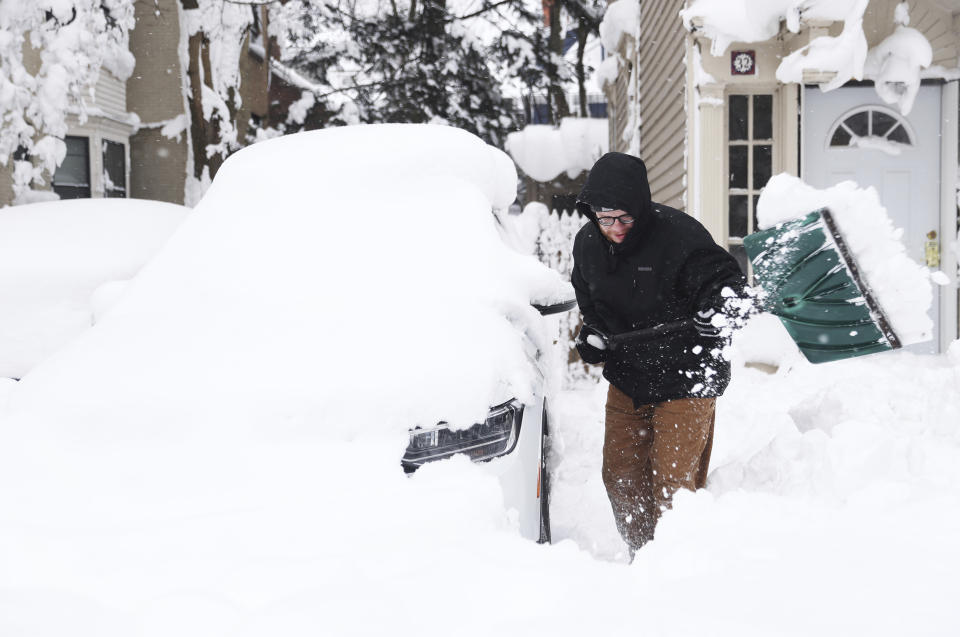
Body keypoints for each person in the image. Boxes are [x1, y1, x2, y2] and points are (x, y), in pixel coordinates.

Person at [571, 152, 746, 556]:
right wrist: (593, 336)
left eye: (624, 218)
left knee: (673, 485)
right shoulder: (588, 246)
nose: (614, 228)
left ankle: (675, 566)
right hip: (630, 375)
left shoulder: (679, 237)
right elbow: (592, 306)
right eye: (604, 218)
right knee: (620, 476)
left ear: (640, 207)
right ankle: (643, 557)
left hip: (688, 373)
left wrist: (718, 306)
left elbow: (724, 282)